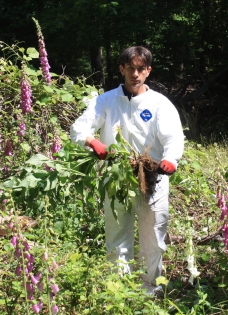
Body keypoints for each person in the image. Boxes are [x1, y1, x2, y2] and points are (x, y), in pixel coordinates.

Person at [70, 46, 184, 294]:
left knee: (153, 236)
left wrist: (171, 160)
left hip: (153, 177)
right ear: (121, 69)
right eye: (130, 68)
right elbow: (79, 128)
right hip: (117, 177)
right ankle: (120, 291)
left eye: (140, 69)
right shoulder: (106, 101)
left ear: (148, 71)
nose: (135, 73)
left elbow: (173, 137)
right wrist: (93, 142)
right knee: (117, 235)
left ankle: (150, 289)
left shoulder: (159, 104)